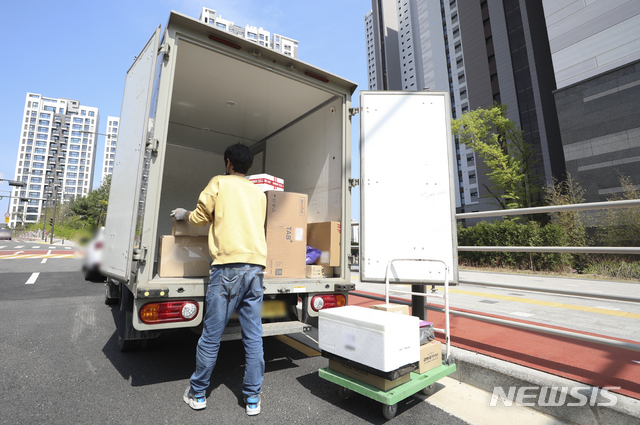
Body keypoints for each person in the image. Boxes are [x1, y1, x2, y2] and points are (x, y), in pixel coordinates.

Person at [171, 143, 267, 416]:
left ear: (228, 163)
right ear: (248, 166)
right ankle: (252, 400)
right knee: (253, 337)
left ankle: (198, 393)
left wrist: (183, 214)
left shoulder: (219, 183)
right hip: (256, 270)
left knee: (212, 336)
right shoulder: (258, 193)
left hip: (226, 269)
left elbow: (200, 219)